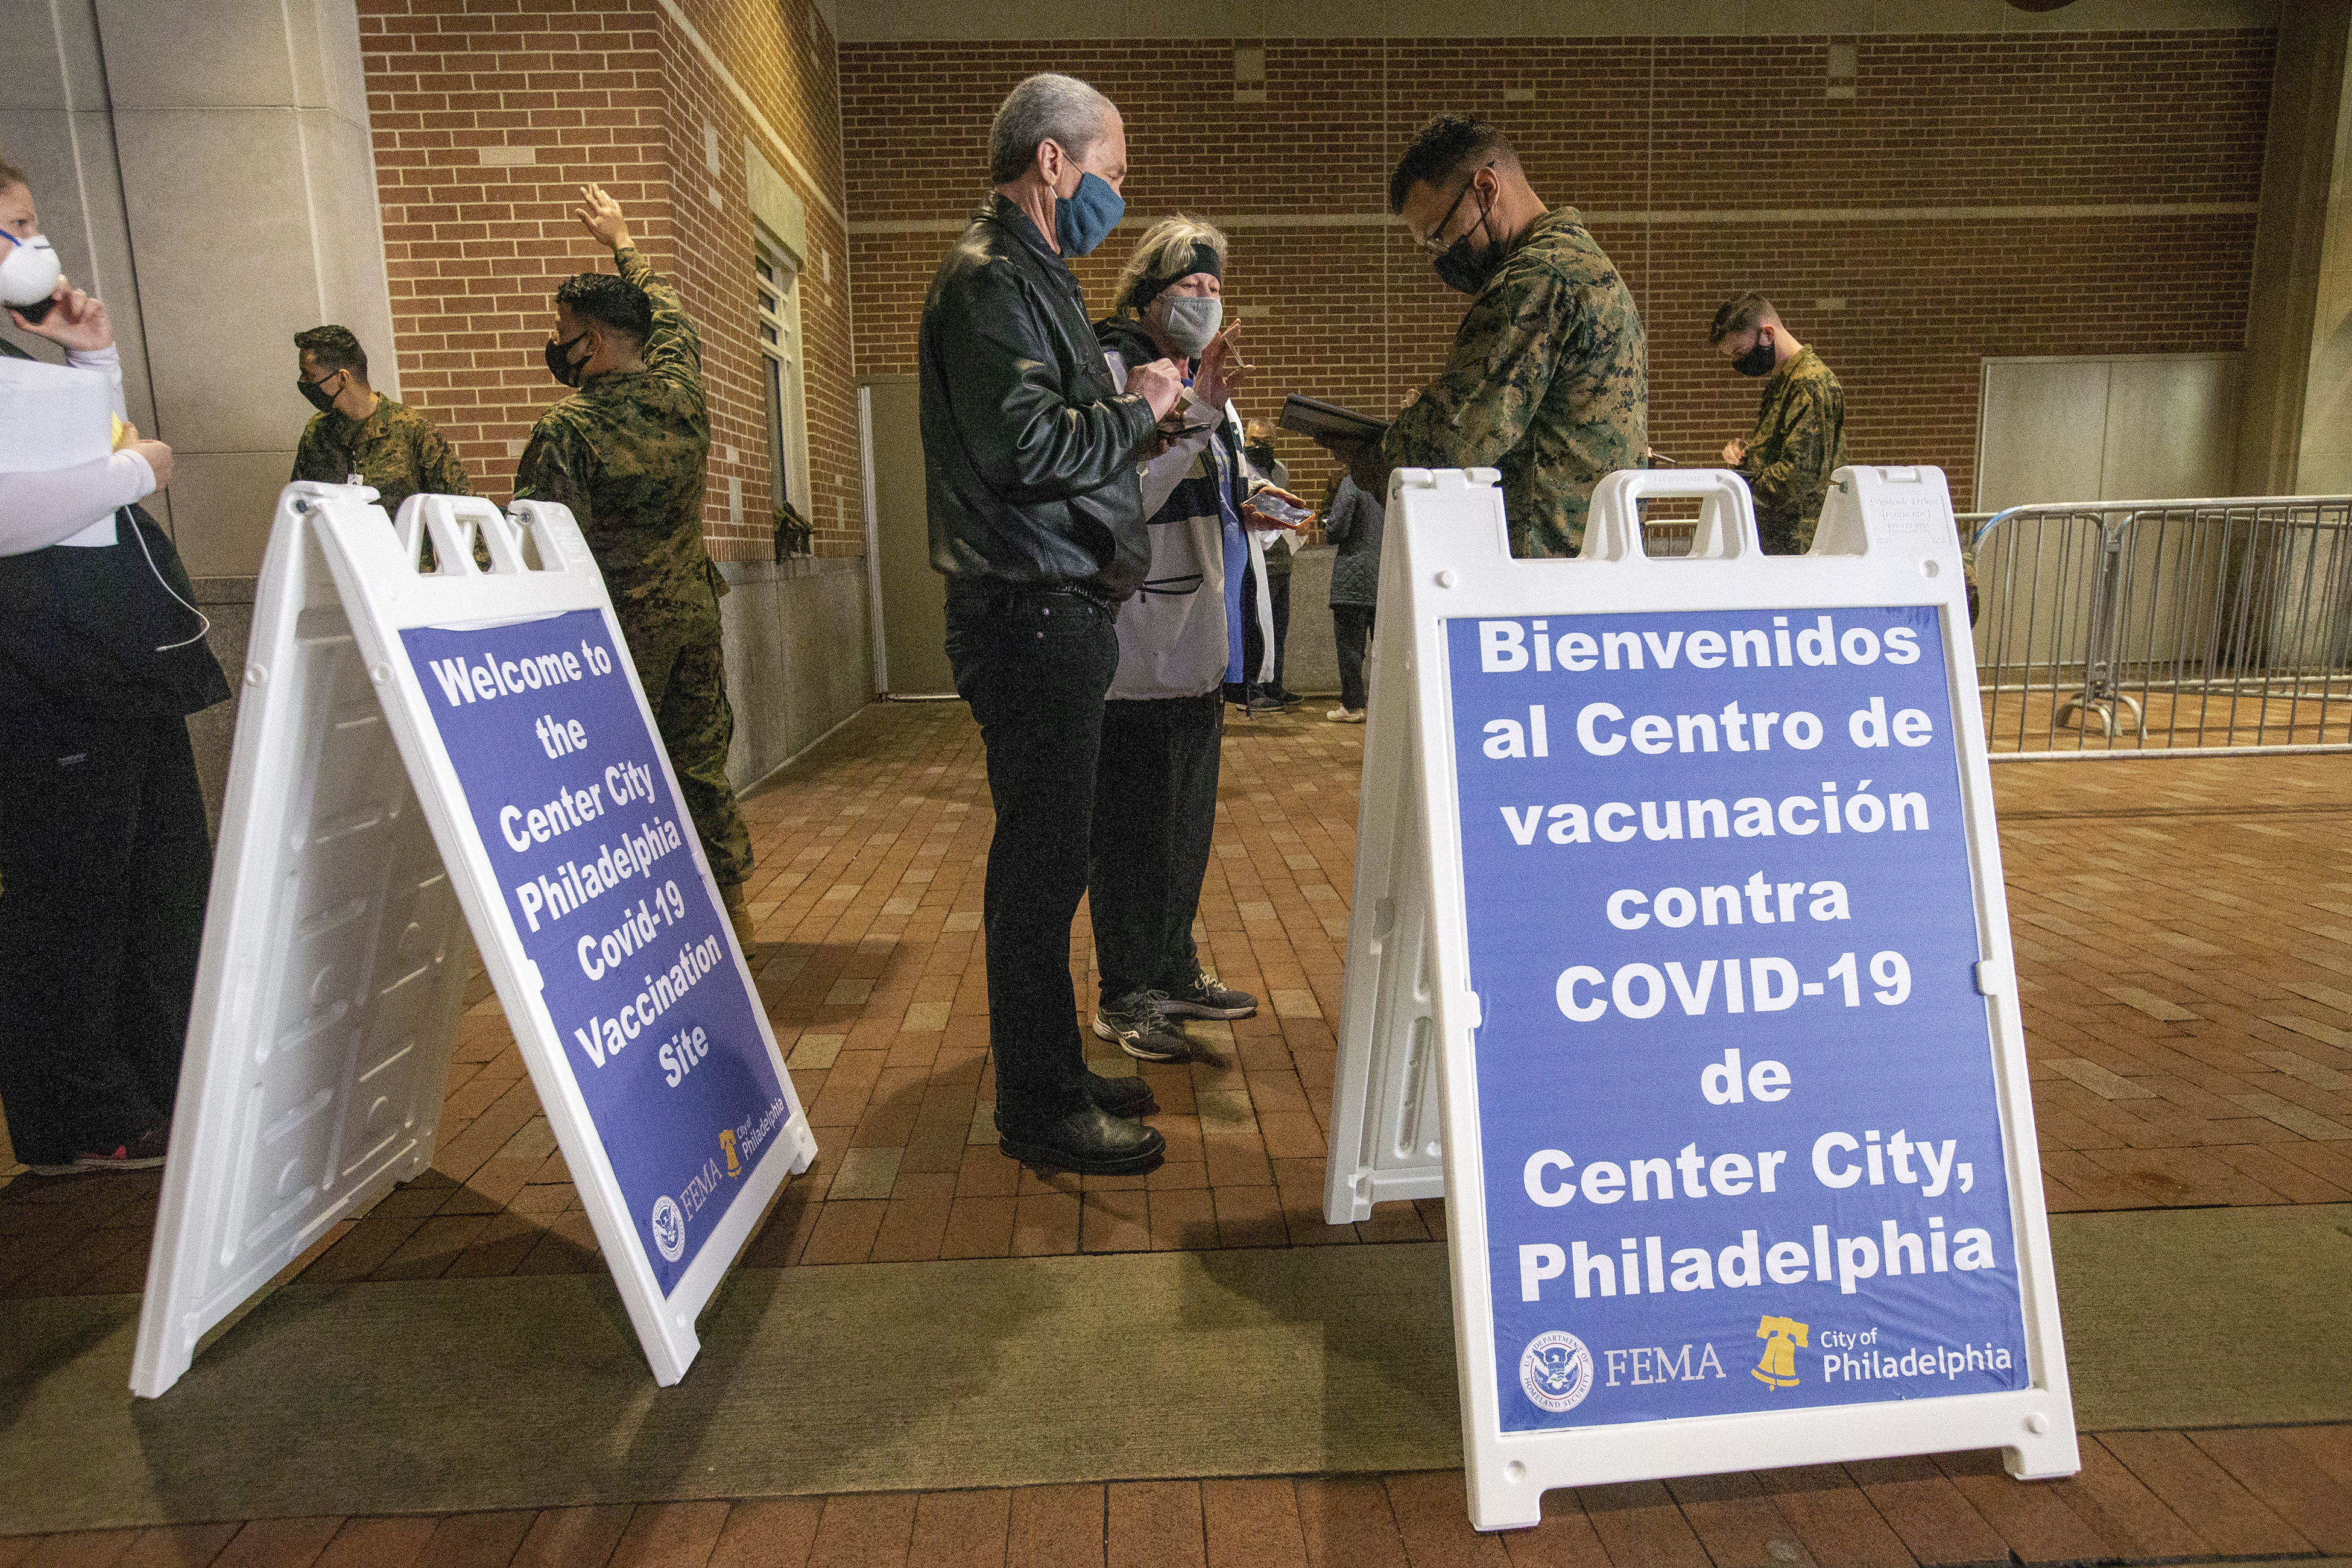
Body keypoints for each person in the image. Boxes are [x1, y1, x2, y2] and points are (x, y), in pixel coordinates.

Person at [920, 74, 1186, 1175]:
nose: (1114, 197)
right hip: (1029, 613)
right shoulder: (991, 281)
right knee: (1038, 873)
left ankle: (1059, 1071)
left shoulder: (1033, 274)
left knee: (1054, 860)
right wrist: (1143, 408)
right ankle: (1039, 1107)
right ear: (1053, 162)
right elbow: (1030, 448)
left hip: (1054, 608)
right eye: (1111, 175)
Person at [0, 153, 228, 1175]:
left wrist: (92, 356)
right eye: (11, 231)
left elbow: (106, 444)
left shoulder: (25, 366)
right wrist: (135, 469)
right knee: (73, 904)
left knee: (158, 885)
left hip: (118, 661)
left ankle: (156, 1087)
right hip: (46, 674)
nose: (34, 248)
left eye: (34, 225)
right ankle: (81, 1115)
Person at [513, 183, 758, 954]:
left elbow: (545, 554)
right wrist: (623, 241)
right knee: (700, 769)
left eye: (563, 333)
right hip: (691, 613)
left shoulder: (567, 430)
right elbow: (674, 317)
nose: (558, 346)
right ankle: (733, 925)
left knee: (615, 781)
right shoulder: (684, 398)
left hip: (618, 634)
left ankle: (637, 939)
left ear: (591, 340)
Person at [1089, 215, 1295, 1064]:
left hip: (1203, 645)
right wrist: (1200, 415)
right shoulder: (1112, 372)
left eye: (1216, 291)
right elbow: (1117, 499)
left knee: (1184, 831)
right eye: (1191, 290)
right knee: (1130, 832)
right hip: (1139, 645)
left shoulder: (1206, 381)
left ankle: (1172, 965)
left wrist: (1259, 502)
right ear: (1147, 298)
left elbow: (1220, 474)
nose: (1209, 304)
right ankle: (1124, 991)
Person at [1320, 115, 1646, 559]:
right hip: (1593, 564)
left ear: (1486, 189)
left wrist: (1368, 454)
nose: (1440, 258)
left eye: (1440, 237)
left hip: (1537, 572)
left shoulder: (1533, 282)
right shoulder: (1587, 265)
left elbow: (1445, 449)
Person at [1709, 292, 1847, 555]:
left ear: (1768, 334)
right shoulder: (1786, 379)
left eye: (1740, 352)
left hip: (1800, 541)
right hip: (1779, 533)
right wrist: (1747, 453)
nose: (1739, 363)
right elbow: (1786, 448)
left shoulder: (1809, 383)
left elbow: (1800, 473)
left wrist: (1739, 486)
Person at [290, 324, 470, 522]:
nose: (303, 381)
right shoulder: (317, 432)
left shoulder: (413, 430)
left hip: (400, 552)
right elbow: (301, 507)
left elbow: (463, 509)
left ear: (342, 377)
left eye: (309, 375)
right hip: (338, 551)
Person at [1239, 419, 1300, 710]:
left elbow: (1284, 510)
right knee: (1255, 627)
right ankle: (1251, 691)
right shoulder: (1242, 470)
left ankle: (1275, 687)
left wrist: (1298, 522)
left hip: (1280, 561)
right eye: (1254, 441)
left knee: (1279, 628)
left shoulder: (1281, 472)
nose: (1258, 447)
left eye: (1265, 442)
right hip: (1254, 561)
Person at [1324, 473, 1383, 723]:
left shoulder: (1354, 482)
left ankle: (1353, 706)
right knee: (1387, 648)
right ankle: (1390, 706)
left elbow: (1337, 528)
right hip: (1386, 576)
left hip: (1353, 579)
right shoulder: (1389, 482)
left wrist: (1327, 524)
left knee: (1350, 648)